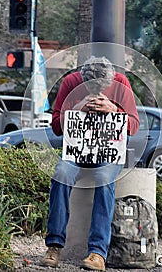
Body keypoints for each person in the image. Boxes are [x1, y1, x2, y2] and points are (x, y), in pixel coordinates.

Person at [40, 56, 139, 271]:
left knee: (104, 179)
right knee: (61, 173)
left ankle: (97, 252)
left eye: (102, 87)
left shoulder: (121, 83)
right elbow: (56, 125)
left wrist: (114, 109)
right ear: (82, 81)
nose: (96, 91)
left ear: (111, 81)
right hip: (77, 152)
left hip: (108, 152)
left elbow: (134, 124)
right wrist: (76, 109)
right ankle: (54, 245)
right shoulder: (70, 82)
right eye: (90, 87)